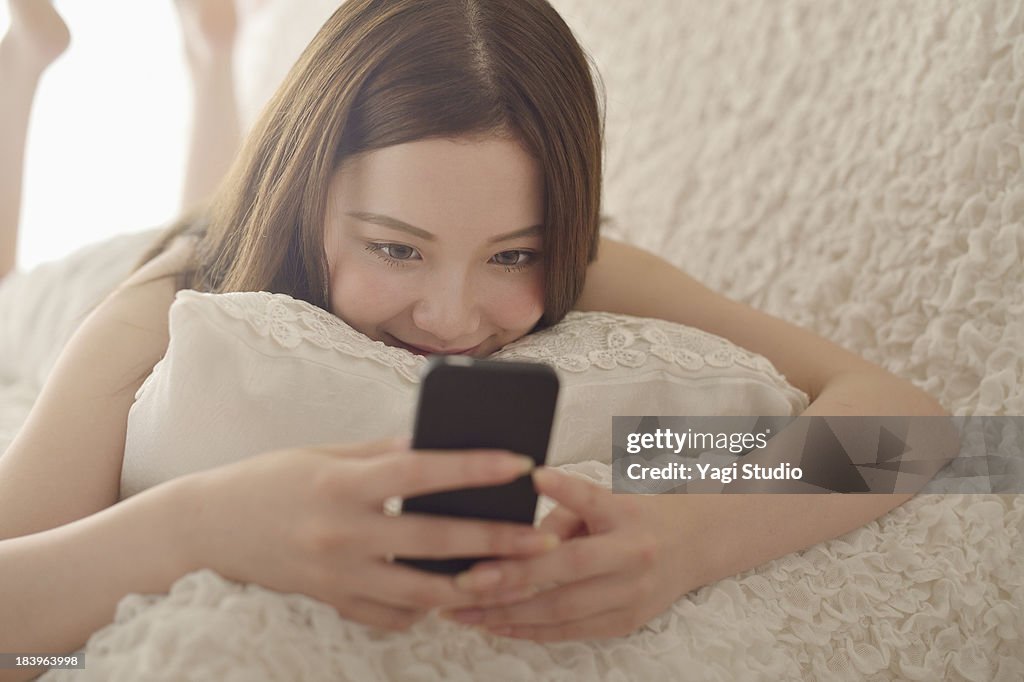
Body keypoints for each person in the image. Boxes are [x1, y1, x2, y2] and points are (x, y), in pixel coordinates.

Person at [0, 0, 952, 673]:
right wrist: (196, 528)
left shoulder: (591, 265)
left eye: (510, 257)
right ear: (308, 203)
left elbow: (915, 430)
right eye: (395, 249)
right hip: (115, 272)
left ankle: (209, 46)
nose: (453, 322)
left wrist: (691, 536)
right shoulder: (147, 314)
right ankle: (34, 55)